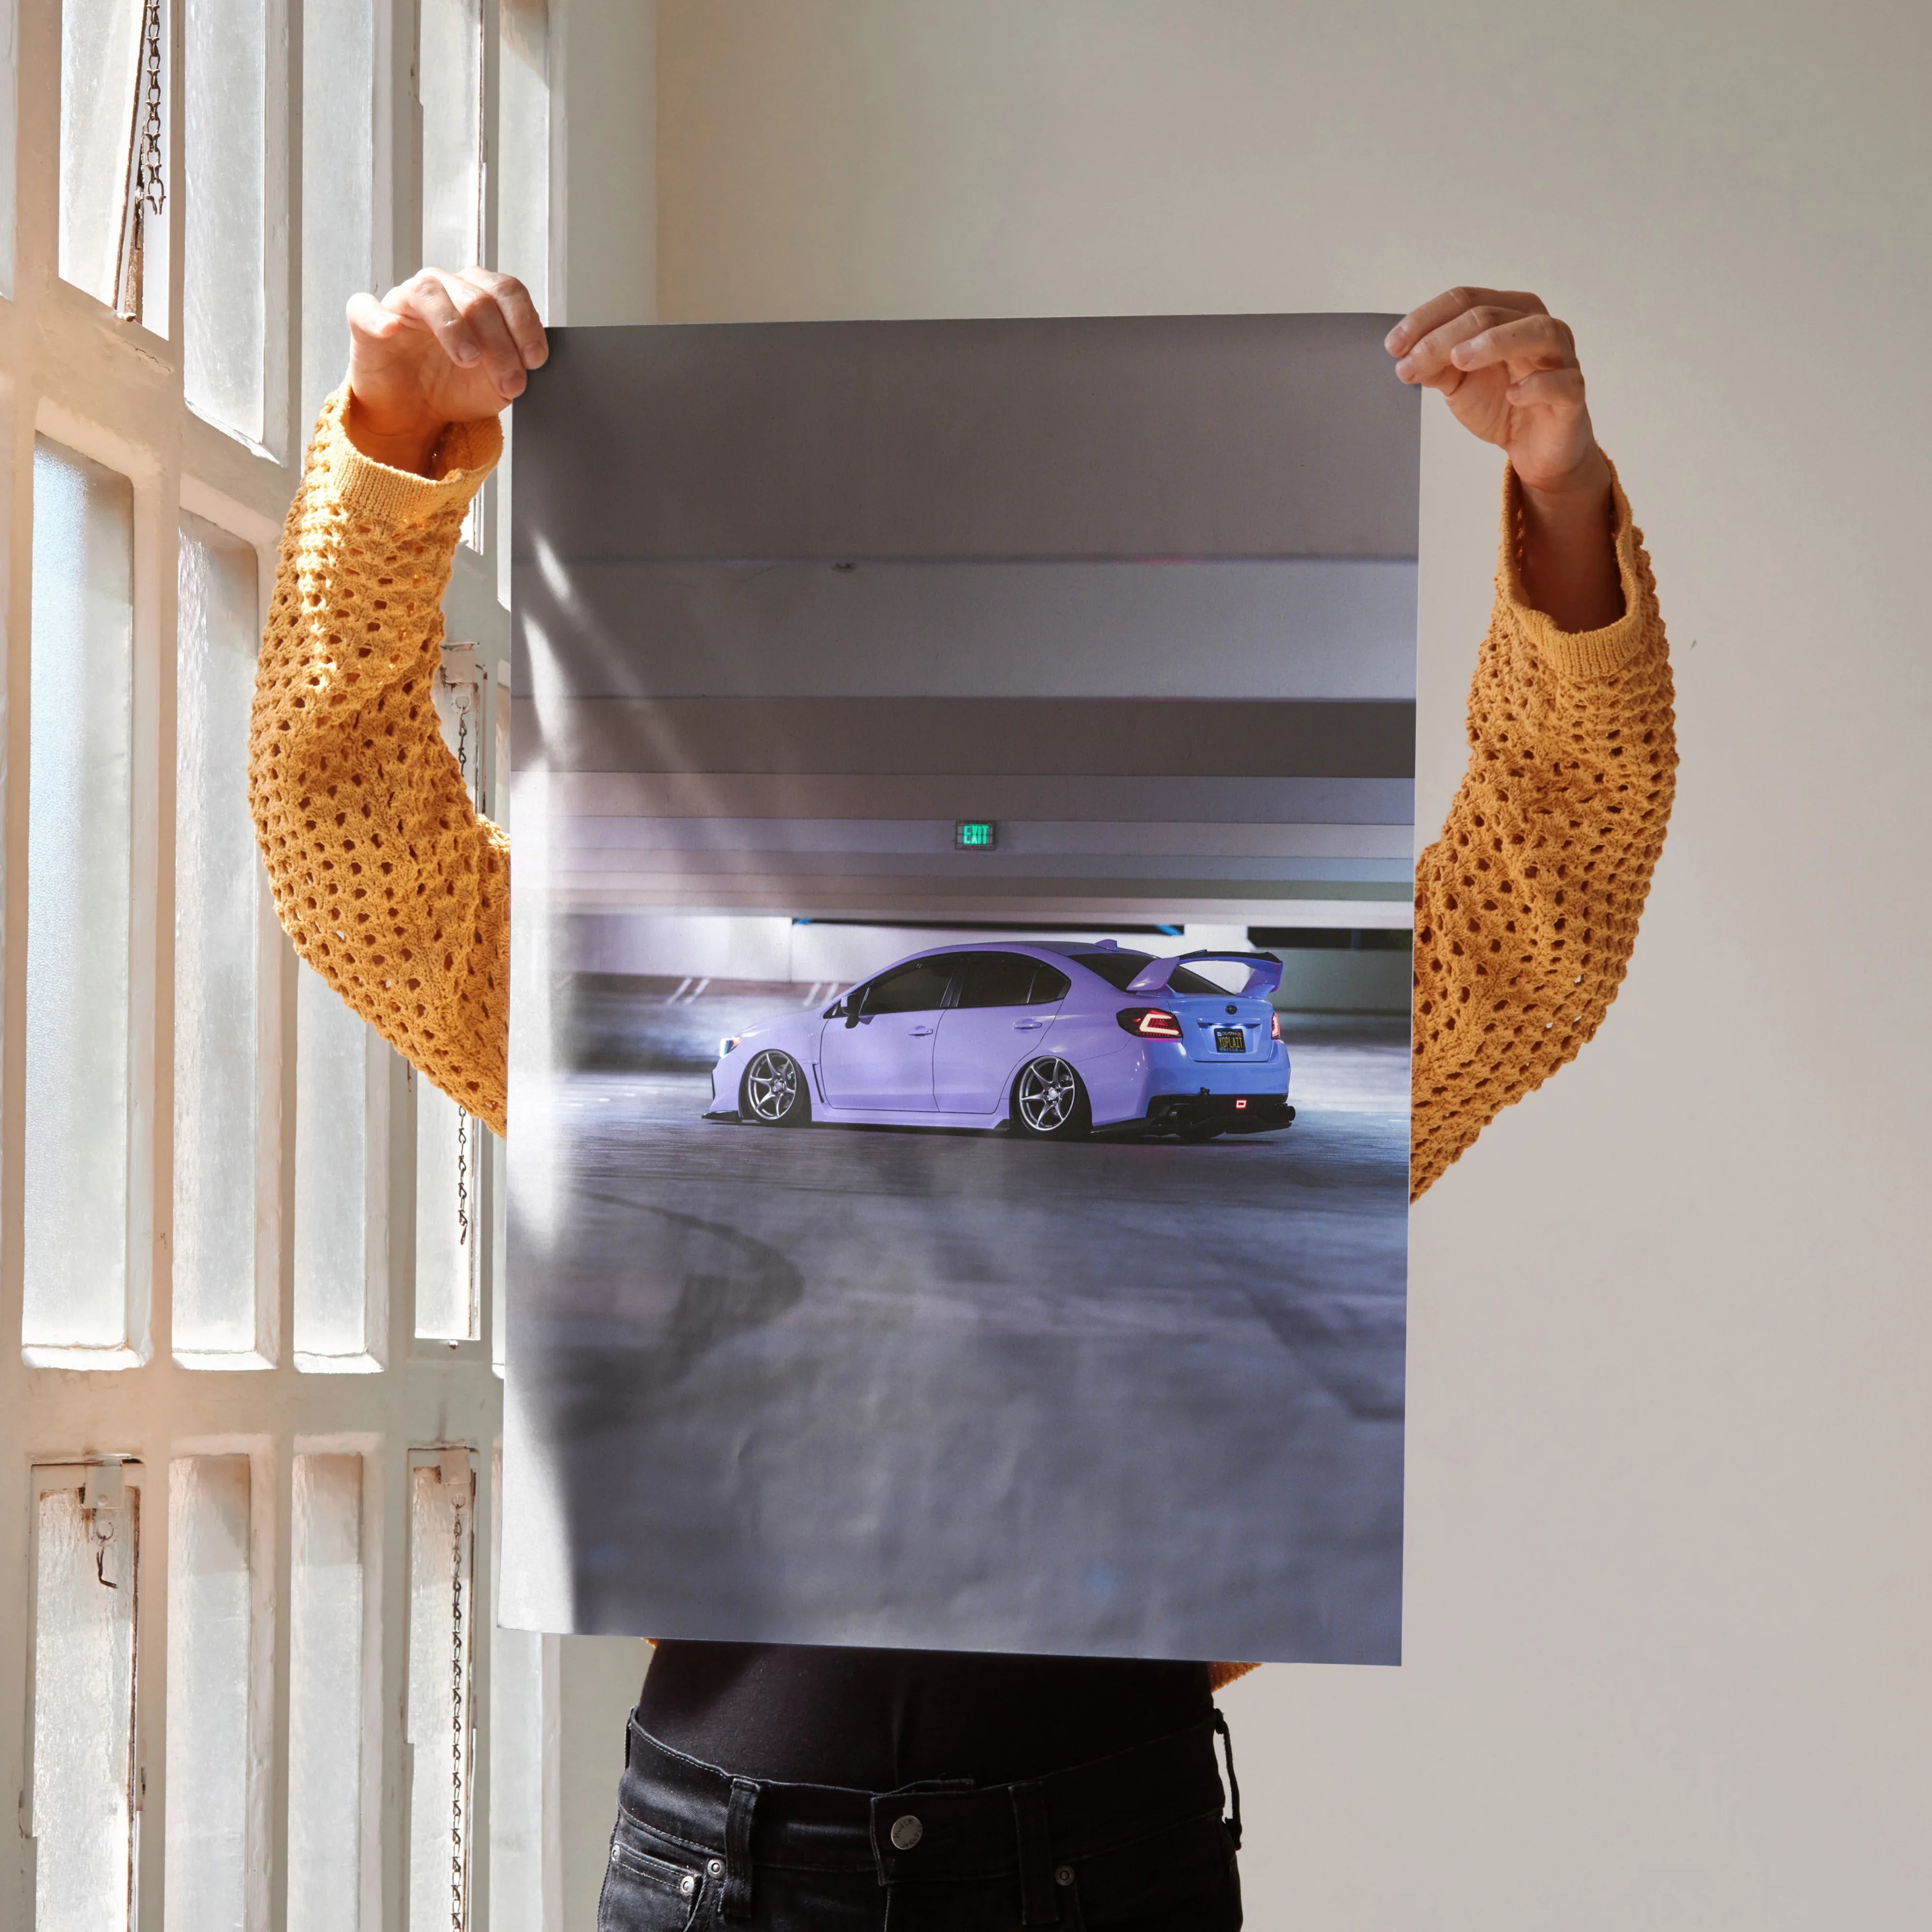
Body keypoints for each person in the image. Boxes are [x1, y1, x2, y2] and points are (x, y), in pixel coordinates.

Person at [250, 270, 1675, 1930]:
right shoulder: (615, 1008)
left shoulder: (1190, 1040)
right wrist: (393, 444)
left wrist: (1560, 497)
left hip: (1102, 1847)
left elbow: (1547, 900)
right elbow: (345, 835)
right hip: (731, 1860)